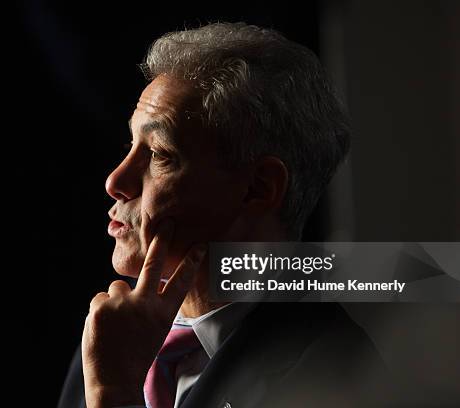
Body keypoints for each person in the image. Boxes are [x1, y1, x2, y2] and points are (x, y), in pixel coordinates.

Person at [58, 22, 388, 408]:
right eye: (132, 144)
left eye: (160, 154)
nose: (116, 180)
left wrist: (114, 396)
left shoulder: (338, 375)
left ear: (259, 188)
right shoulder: (115, 337)